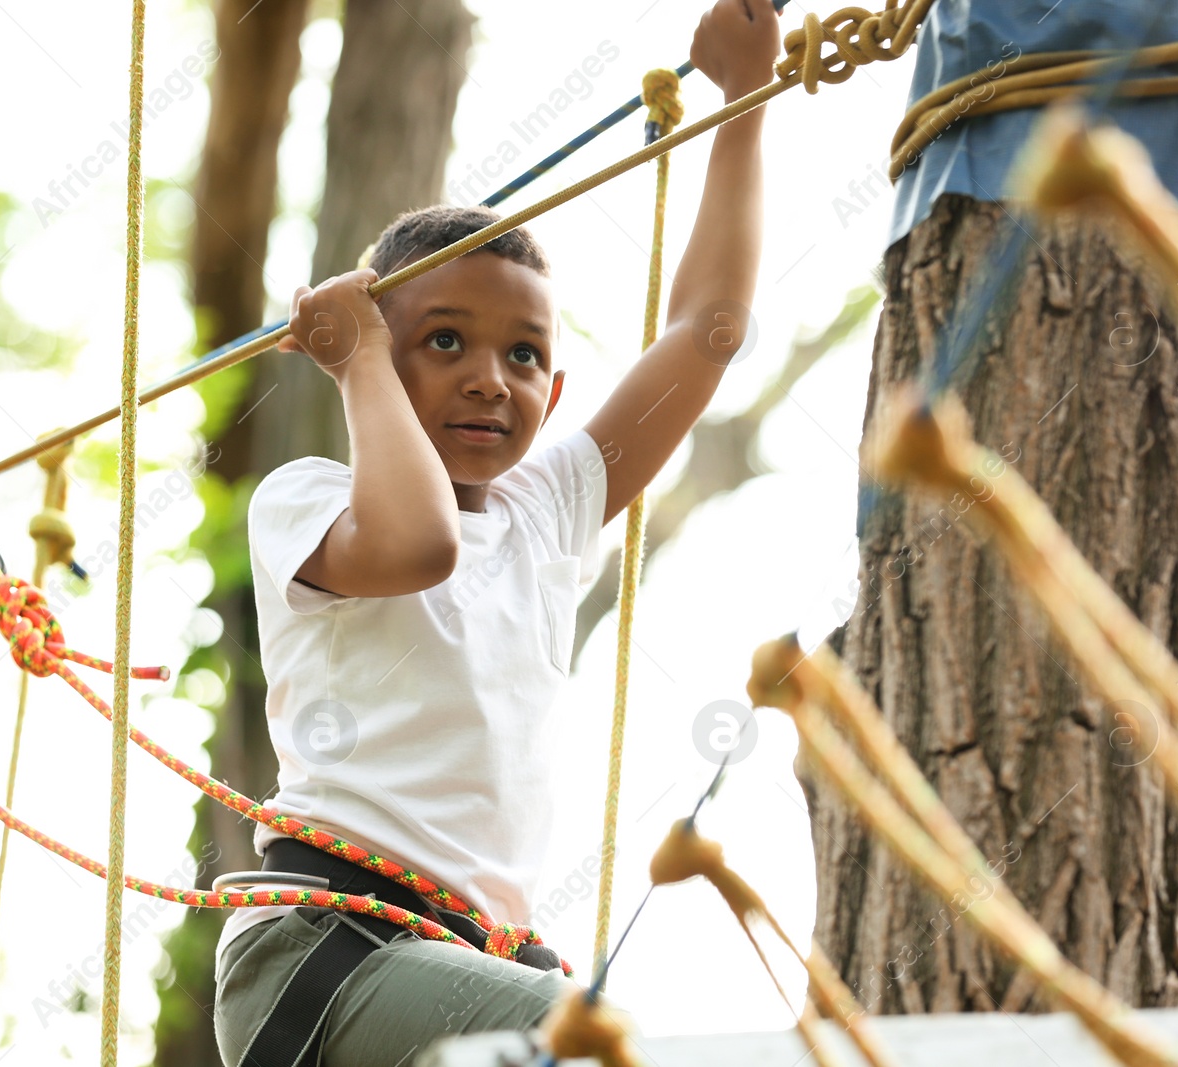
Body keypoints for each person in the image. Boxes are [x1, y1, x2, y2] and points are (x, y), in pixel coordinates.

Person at [212, 3, 779, 1064]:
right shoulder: (305, 495)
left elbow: (707, 332)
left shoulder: (543, 511)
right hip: (324, 957)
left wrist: (742, 102)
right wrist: (358, 363)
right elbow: (416, 544)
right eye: (442, 340)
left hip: (472, 962)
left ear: (554, 390)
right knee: (590, 1043)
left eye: (523, 355)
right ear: (378, 351)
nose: (488, 376)